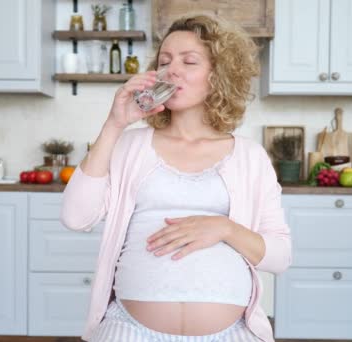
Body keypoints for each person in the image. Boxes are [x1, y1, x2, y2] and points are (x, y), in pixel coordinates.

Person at [61, 14, 291, 342]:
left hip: (231, 333)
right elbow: (75, 217)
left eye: (190, 61)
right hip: (128, 329)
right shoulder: (130, 145)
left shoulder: (249, 156)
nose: (172, 70)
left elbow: (280, 256)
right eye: (165, 61)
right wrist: (114, 124)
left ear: (218, 75)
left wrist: (224, 228)